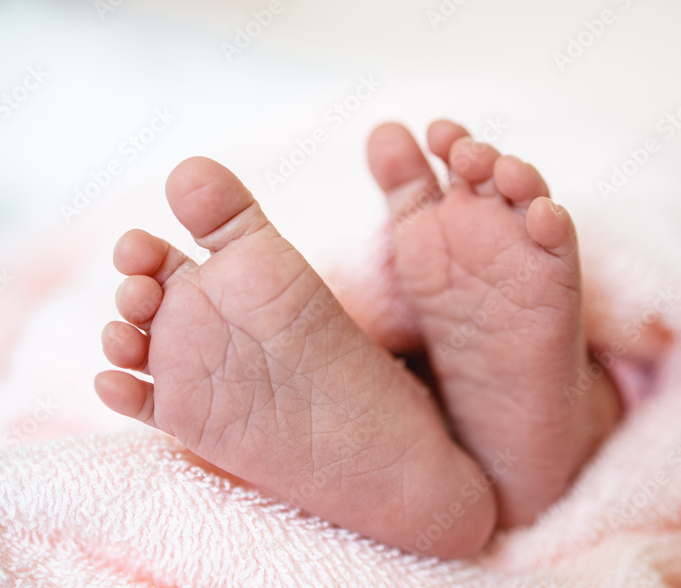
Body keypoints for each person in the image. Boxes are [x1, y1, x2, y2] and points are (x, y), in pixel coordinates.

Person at [94, 119, 622, 558]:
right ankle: (578, 411)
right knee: (627, 352)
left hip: (390, 361)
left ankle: (427, 425)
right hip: (404, 358)